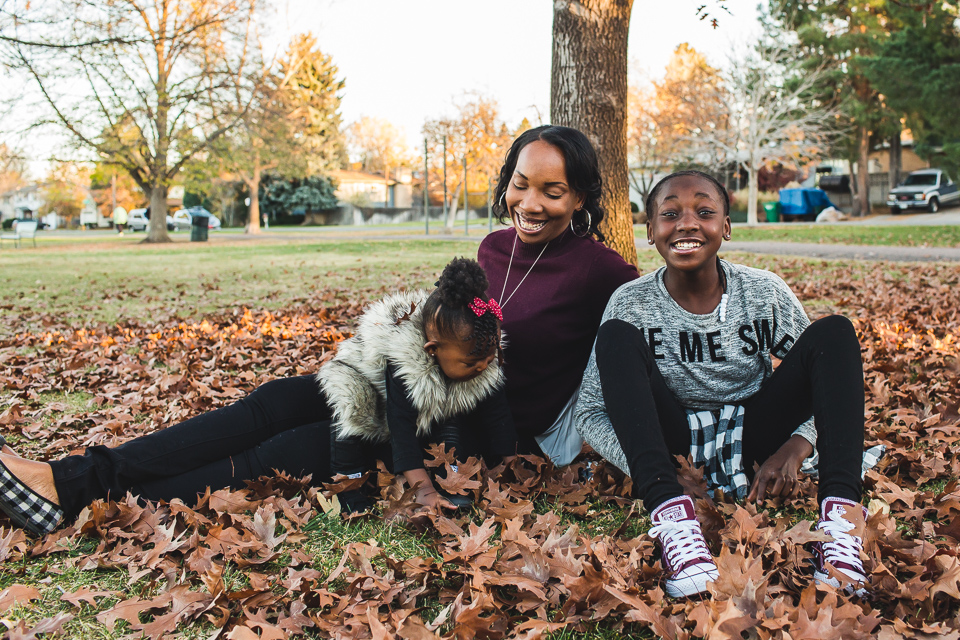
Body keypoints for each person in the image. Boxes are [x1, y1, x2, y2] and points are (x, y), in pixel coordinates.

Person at [0, 258, 515, 536]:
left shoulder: (483, 363)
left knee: (273, 454)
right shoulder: (486, 264)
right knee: (266, 406)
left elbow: (483, 431)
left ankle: (79, 496)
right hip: (362, 385)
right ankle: (73, 477)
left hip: (419, 437)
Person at [575, 170, 869, 598]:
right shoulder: (630, 302)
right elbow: (590, 411)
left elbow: (820, 382)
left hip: (754, 434)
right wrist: (655, 473)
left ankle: (840, 533)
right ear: (651, 232)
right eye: (670, 213)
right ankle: (672, 519)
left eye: (705, 211)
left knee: (835, 333)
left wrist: (797, 446)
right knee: (616, 334)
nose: (688, 223)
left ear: (725, 227)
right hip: (672, 442)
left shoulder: (762, 292)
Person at [478, 125, 639, 464]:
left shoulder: (599, 268)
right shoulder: (491, 248)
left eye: (552, 192)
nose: (529, 204)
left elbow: (640, 348)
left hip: (543, 437)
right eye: (520, 185)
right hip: (474, 418)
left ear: (579, 198)